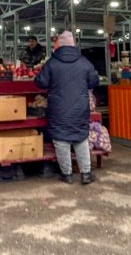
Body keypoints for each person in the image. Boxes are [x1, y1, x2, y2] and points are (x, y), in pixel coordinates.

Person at [33, 31, 99, 185]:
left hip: (58, 108)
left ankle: (67, 175)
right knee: (81, 138)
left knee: (61, 139)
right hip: (80, 107)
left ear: (59, 45)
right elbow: (94, 81)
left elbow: (40, 82)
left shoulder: (52, 63)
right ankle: (86, 174)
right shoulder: (84, 62)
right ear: (73, 44)